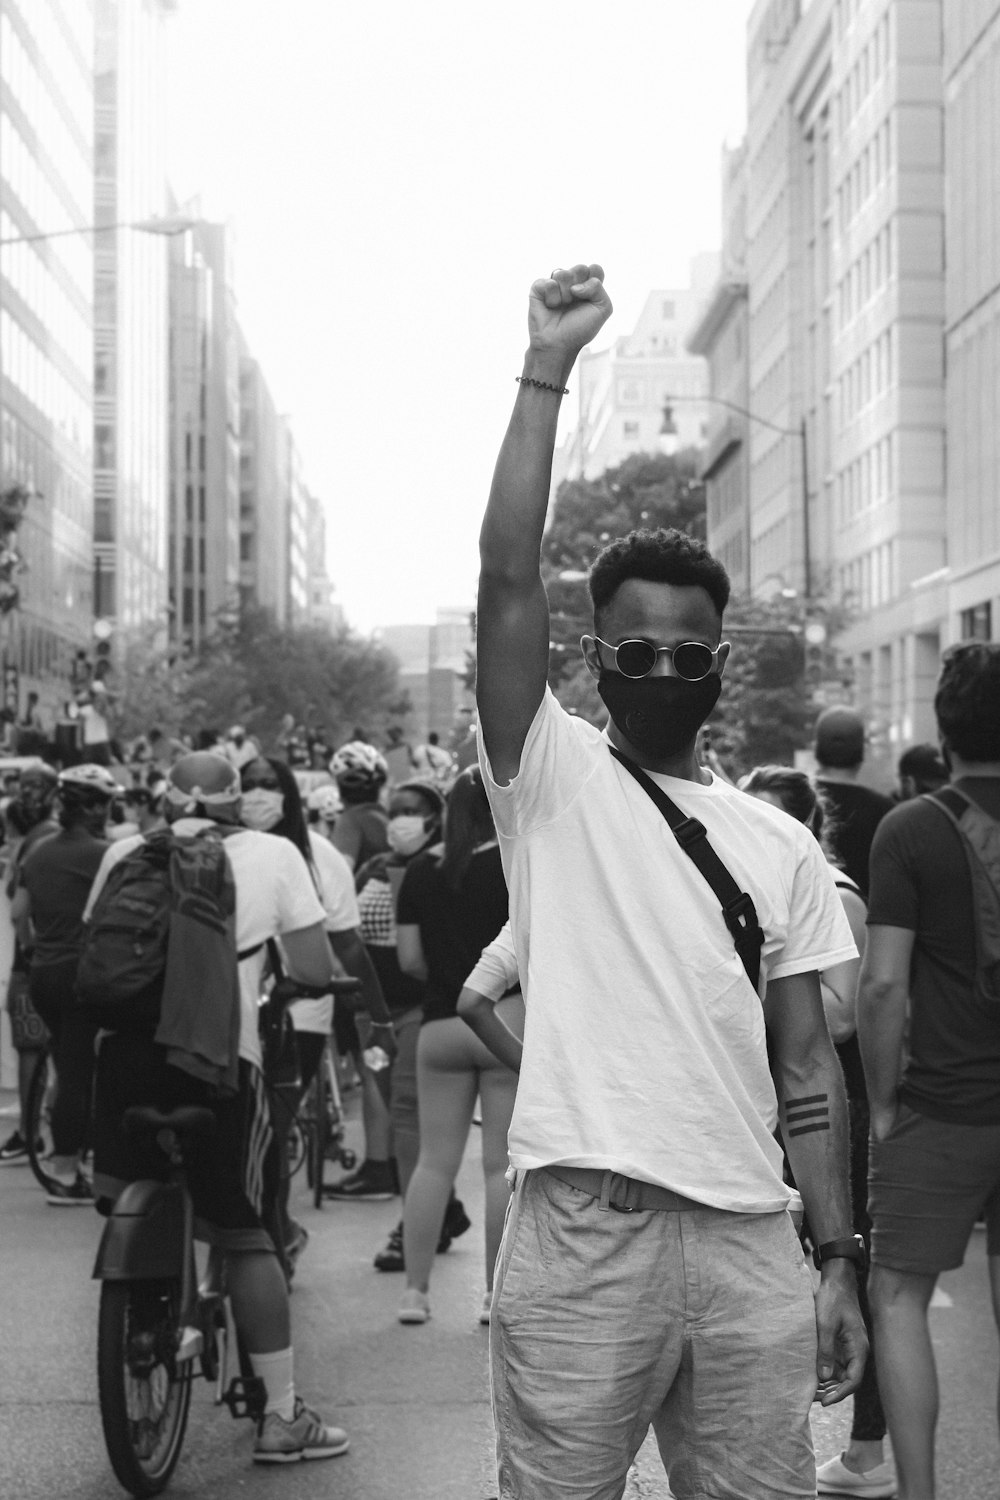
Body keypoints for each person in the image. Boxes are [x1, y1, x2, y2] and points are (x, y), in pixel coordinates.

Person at [474, 262, 867, 1498]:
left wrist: (839, 1257)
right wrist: (549, 367)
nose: (662, 666)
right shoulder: (548, 778)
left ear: (719, 668)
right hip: (584, 1237)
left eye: (686, 650)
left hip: (754, 1248)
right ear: (592, 661)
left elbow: (807, 1072)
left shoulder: (780, 845)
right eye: (635, 647)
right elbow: (503, 583)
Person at [88, 751, 353, 1465]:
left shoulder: (124, 852)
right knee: (244, 1235)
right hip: (218, 1062)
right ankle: (280, 1417)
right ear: (239, 800)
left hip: (124, 1061)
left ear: (166, 798)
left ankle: (142, 1312)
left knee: (125, 1198)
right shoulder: (274, 854)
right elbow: (312, 971)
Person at [858, 642, 1000, 1500]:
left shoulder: (911, 828)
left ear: (943, 731)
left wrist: (880, 1102)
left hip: (938, 1107)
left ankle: (918, 1495)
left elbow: (881, 985)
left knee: (900, 1297)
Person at [741, 766, 895, 1498]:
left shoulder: (835, 894)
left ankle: (867, 1448)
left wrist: (755, 987)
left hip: (840, 1108)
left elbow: (843, 1015)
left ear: (804, 824)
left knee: (851, 1275)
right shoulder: (758, 891)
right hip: (777, 1109)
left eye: (769, 816)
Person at [238, 754, 395, 1253]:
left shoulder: (321, 856)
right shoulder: (222, 850)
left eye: (268, 784)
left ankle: (272, 1239)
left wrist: (377, 1014)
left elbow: (348, 947)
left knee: (272, 1136)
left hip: (299, 1016)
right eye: (249, 784)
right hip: (229, 1013)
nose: (258, 794)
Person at [392, 767, 511, 1325]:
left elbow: (409, 961)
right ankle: (494, 1294)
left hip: (437, 1026)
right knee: (498, 1168)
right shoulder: (515, 865)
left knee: (433, 1163)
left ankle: (415, 1292)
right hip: (504, 1021)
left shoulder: (420, 870)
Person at [355, 779, 469, 1271]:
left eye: (412, 811)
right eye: (394, 810)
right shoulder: (374, 870)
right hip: (373, 1012)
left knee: (406, 1116)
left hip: (419, 1010)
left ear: (435, 818)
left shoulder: (444, 870)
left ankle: (413, 1223)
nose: (401, 820)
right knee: (398, 1110)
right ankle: (444, 1211)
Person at [12, 764, 117, 1202]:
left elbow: (19, 913)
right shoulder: (106, 854)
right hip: (84, 975)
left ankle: (68, 1154)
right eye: (107, 803)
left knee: (65, 1065)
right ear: (93, 807)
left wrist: (37, 948)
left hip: (44, 975)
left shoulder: (36, 853)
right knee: (78, 1074)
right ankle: (67, 1171)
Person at [0, 770, 59, 1164]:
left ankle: (30, 1132)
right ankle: (56, 1129)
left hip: (35, 959)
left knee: (32, 1048)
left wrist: (28, 946)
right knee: (56, 1048)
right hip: (58, 955)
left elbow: (19, 907)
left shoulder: (36, 842)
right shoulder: (46, 837)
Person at [813, 707, 894, 899]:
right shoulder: (885, 812)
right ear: (861, 751)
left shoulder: (793, 800)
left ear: (817, 749)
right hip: (863, 922)